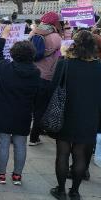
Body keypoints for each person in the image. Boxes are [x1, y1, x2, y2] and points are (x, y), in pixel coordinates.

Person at [49, 30, 101, 200]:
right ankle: (74, 192)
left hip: (65, 113)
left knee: (62, 153)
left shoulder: (65, 64)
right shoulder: (100, 68)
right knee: (81, 155)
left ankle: (60, 190)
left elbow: (53, 88)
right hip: (89, 116)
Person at [0, 26, 40, 185]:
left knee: (3, 143)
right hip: (23, 112)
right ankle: (17, 175)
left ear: (13, 54)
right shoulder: (36, 72)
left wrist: (3, 37)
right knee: (20, 143)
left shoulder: (6, 68)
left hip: (3, 110)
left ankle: (1, 174)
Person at [29, 12, 63, 146]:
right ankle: (34, 137)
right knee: (40, 108)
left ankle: (17, 133)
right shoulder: (56, 37)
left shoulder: (33, 33)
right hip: (46, 77)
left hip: (31, 74)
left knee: (28, 105)